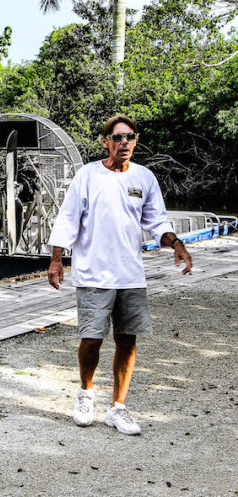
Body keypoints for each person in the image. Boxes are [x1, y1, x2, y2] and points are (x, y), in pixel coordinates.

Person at [47, 115, 192, 435]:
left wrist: (177, 244)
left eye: (130, 137)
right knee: (91, 339)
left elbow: (157, 223)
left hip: (130, 276)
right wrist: (57, 260)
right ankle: (85, 394)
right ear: (105, 141)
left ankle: (118, 408)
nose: (125, 143)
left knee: (127, 340)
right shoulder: (88, 175)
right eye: (118, 137)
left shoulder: (145, 177)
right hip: (93, 275)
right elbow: (67, 219)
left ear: (135, 141)